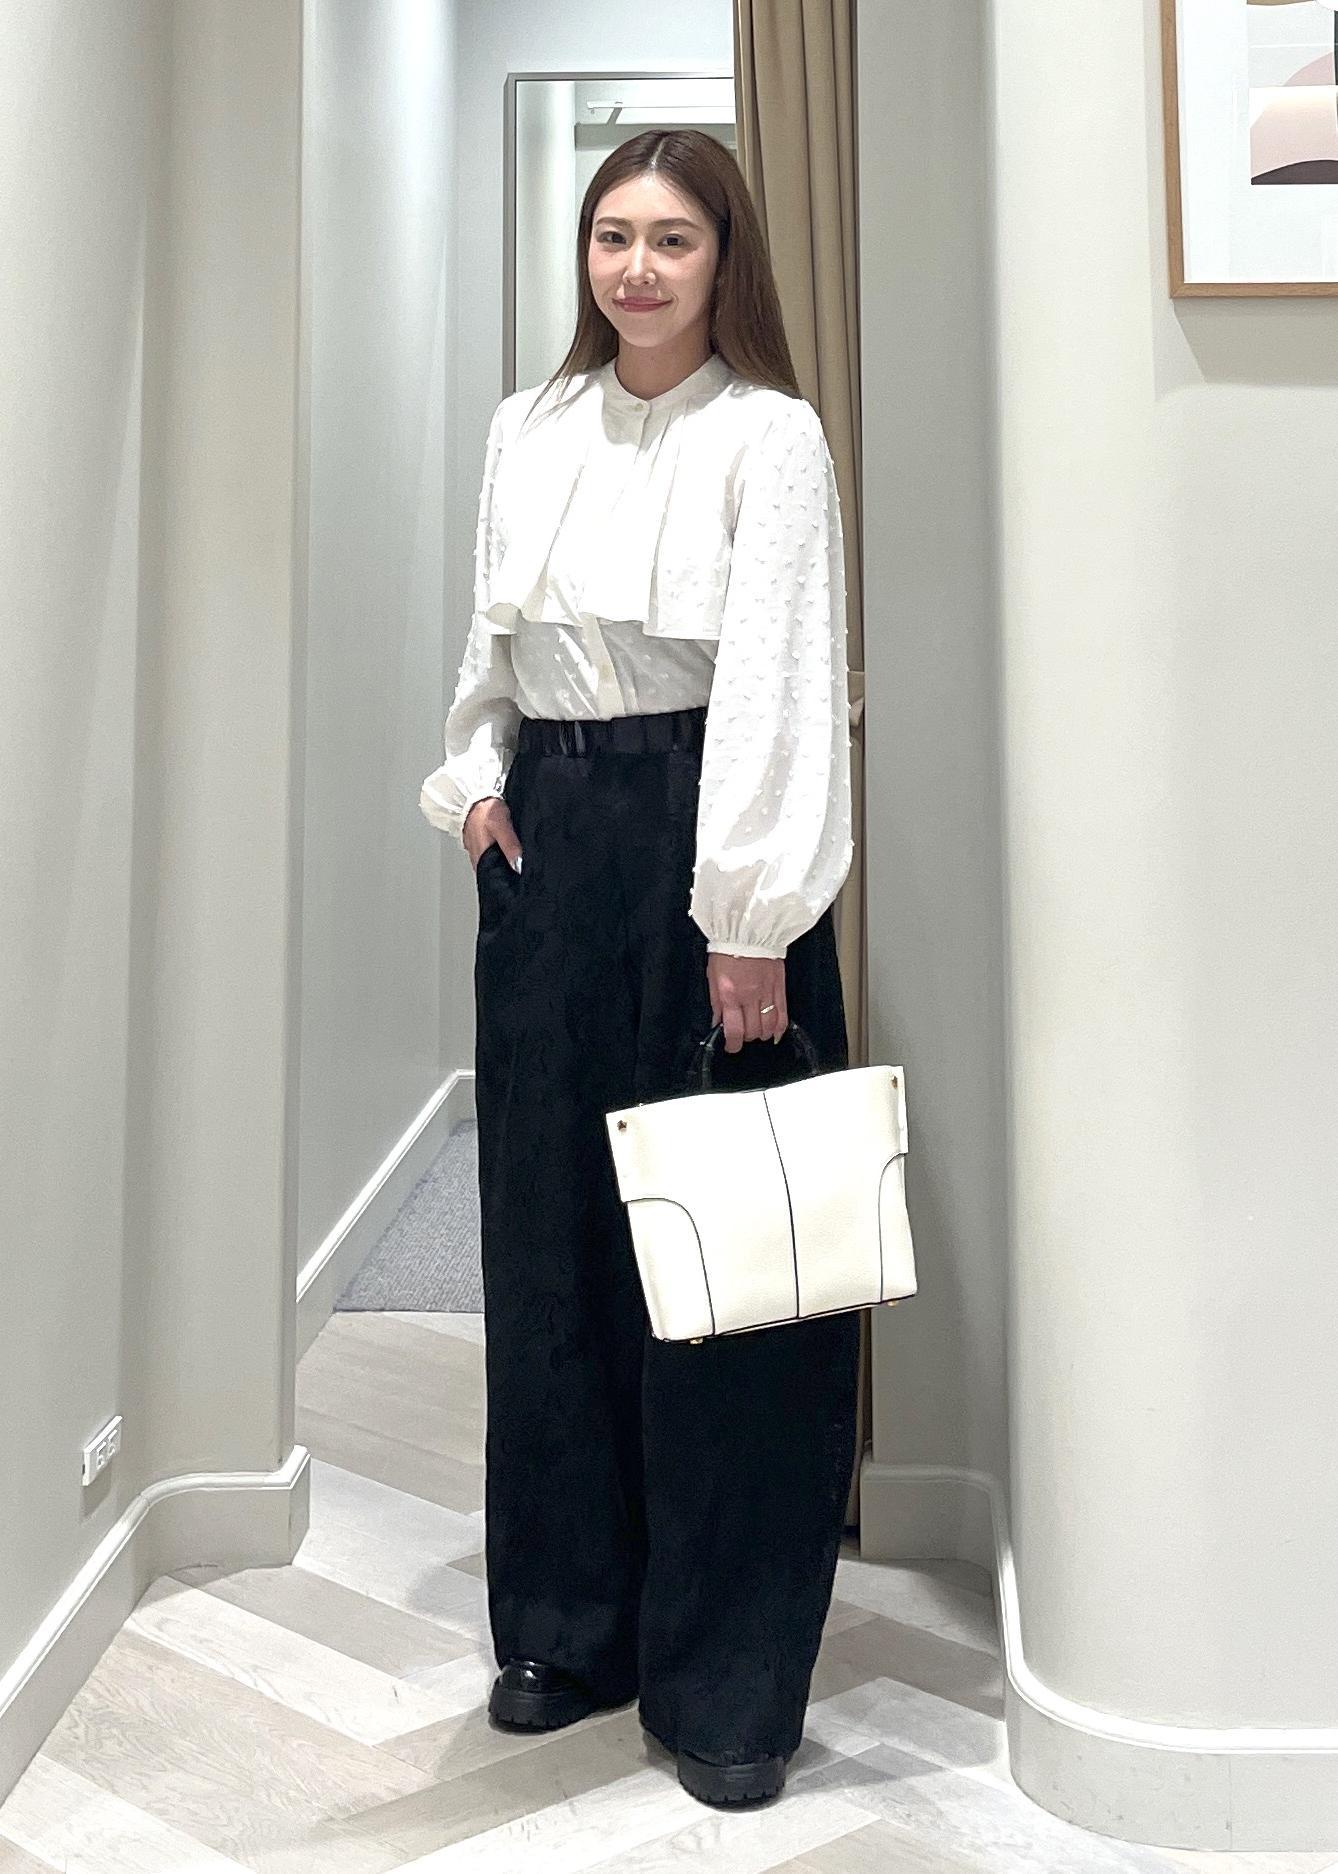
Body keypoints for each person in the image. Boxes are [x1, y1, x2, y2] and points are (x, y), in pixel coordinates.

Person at [419, 128, 860, 1809]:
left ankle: (727, 1678)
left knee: (729, 1261)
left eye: (672, 238)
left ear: (722, 256)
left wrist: (745, 913)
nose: (637, 268)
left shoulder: (770, 435)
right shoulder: (527, 426)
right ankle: (564, 1622)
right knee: (549, 1243)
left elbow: (778, 679)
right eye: (612, 235)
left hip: (705, 835)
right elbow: (492, 642)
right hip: (551, 833)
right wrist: (475, 784)